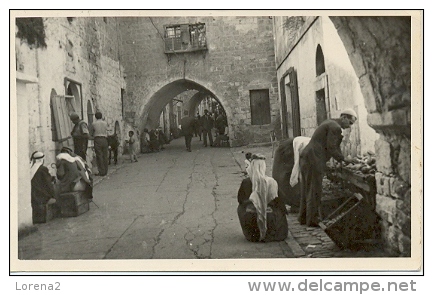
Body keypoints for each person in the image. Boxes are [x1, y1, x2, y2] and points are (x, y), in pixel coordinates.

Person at [298, 109, 357, 227]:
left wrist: (340, 158)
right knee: (315, 189)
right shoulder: (335, 127)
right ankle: (313, 220)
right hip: (314, 159)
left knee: (307, 188)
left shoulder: (330, 122)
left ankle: (304, 217)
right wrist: (344, 159)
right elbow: (332, 147)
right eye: (350, 123)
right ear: (344, 117)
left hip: (308, 157)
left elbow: (333, 145)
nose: (349, 126)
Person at [237, 153, 288, 242]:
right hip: (270, 219)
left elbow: (240, 199)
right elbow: (281, 200)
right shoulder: (271, 182)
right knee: (279, 209)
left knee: (241, 208)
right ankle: (273, 231)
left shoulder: (246, 182)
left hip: (252, 221)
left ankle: (252, 232)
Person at [271, 136, 310, 212]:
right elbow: (297, 167)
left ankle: (294, 203)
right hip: (289, 149)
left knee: (287, 178)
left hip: (292, 148)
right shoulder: (310, 147)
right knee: (284, 177)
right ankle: (294, 203)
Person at [30, 151, 56, 223]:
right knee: (54, 199)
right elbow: (48, 184)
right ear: (42, 160)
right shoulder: (43, 169)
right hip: (40, 195)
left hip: (33, 194)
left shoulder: (30, 168)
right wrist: (53, 195)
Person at [91, 111, 108, 176]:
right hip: (104, 139)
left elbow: (92, 132)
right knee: (105, 155)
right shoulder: (105, 123)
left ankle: (101, 171)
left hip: (97, 139)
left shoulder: (94, 124)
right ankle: (105, 170)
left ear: (95, 117)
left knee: (99, 155)